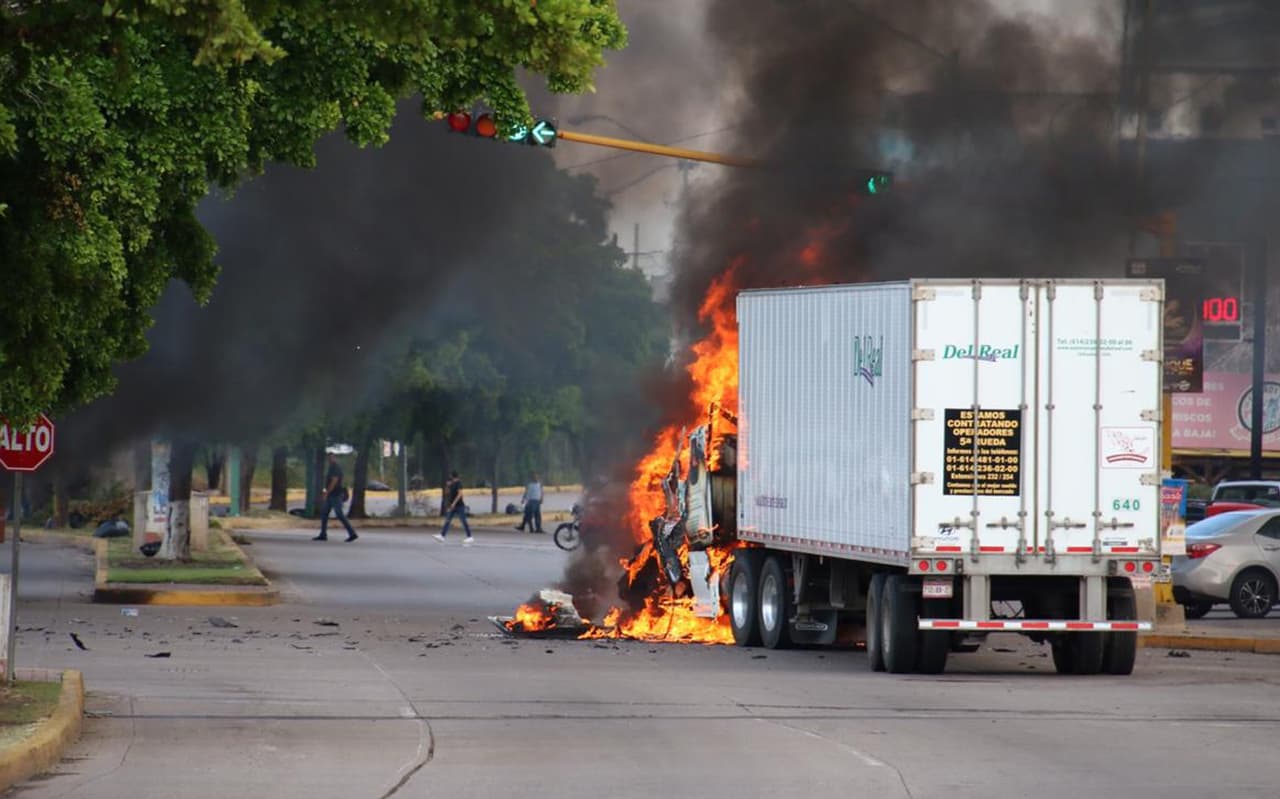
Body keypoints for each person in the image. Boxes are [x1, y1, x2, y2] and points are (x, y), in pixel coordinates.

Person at [315, 452, 358, 542]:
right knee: (324, 513)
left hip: (336, 495)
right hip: (331, 495)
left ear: (335, 458)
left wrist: (327, 492)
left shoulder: (336, 468)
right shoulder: (331, 468)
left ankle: (352, 533)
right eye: (329, 458)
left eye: (332, 458)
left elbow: (334, 481)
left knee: (339, 514)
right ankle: (323, 534)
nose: (330, 459)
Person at [434, 470, 473, 545]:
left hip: (459, 506)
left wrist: (454, 503)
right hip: (453, 506)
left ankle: (470, 537)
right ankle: (442, 536)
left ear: (452, 476)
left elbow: (460, 494)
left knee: (463, 521)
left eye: (451, 476)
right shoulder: (453, 484)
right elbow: (449, 494)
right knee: (447, 520)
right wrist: (447, 487)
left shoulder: (459, 484)